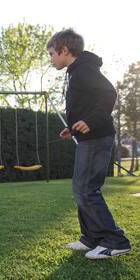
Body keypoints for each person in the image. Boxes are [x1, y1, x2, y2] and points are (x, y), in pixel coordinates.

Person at [47, 29, 131, 259]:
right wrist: (73, 126)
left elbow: (108, 94)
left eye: (52, 53)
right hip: (87, 137)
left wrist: (90, 121)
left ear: (65, 50)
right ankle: (91, 237)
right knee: (80, 189)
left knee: (87, 190)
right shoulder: (76, 71)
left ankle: (116, 240)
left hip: (97, 136)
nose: (51, 58)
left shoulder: (84, 69)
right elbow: (85, 104)